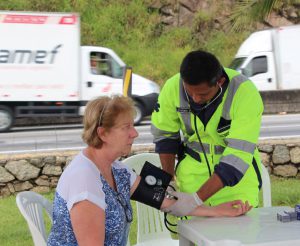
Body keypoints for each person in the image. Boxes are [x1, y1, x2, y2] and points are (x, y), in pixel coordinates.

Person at [47, 95, 251, 246]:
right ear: (103, 133)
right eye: (126, 127)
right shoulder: (85, 181)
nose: (134, 133)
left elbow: (168, 203)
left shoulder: (117, 171)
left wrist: (215, 211)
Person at [151, 50, 264, 208]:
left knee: (241, 232)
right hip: (191, 182)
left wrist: (196, 200)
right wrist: (169, 182)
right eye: (190, 93)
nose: (196, 99)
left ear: (220, 81)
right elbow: (165, 137)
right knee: (191, 233)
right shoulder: (172, 87)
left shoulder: (244, 92)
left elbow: (237, 156)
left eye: (203, 94)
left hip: (237, 186)